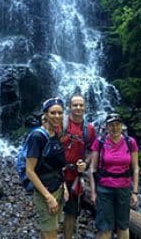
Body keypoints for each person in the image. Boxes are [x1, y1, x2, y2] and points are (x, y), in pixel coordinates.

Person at [90, 113, 139, 239]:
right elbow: (92, 169)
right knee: (105, 227)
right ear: (106, 127)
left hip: (124, 188)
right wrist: (93, 192)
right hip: (104, 188)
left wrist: (135, 192)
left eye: (117, 124)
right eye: (111, 125)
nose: (115, 128)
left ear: (122, 126)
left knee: (123, 226)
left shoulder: (130, 142)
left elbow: (135, 168)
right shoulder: (99, 142)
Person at [26, 97, 68, 239]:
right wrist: (48, 197)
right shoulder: (37, 136)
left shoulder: (55, 133)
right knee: (51, 232)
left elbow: (57, 166)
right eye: (53, 113)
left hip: (57, 187)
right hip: (46, 192)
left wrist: (64, 186)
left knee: (49, 230)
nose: (57, 116)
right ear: (46, 114)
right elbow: (30, 171)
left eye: (60, 113)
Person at [62, 94, 96, 239]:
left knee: (71, 212)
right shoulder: (61, 124)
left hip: (75, 176)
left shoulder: (89, 129)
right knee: (50, 210)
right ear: (69, 107)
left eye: (81, 105)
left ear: (85, 107)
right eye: (75, 105)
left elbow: (92, 150)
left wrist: (86, 163)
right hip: (57, 174)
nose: (78, 108)